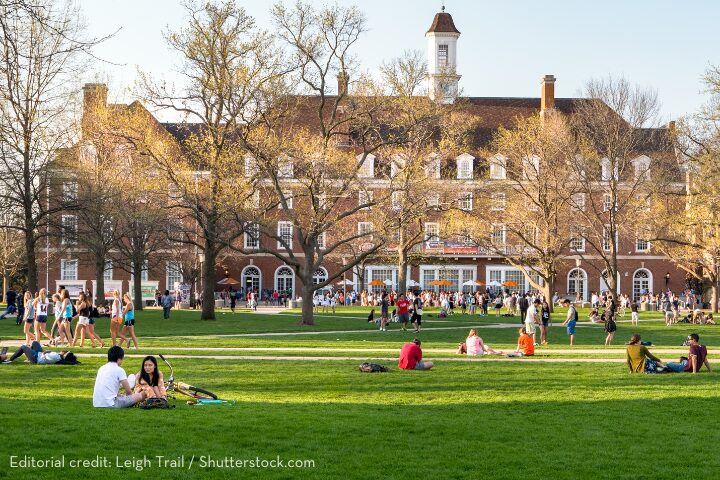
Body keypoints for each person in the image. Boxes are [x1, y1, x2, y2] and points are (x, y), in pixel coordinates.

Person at [1, 340, 78, 365]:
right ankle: (28, 358)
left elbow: (46, 356)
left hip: (36, 358)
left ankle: (11, 359)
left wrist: (46, 352)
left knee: (23, 347)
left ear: (64, 354)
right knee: (35, 342)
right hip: (39, 354)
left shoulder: (55, 356)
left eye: (65, 351)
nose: (64, 350)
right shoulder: (58, 356)